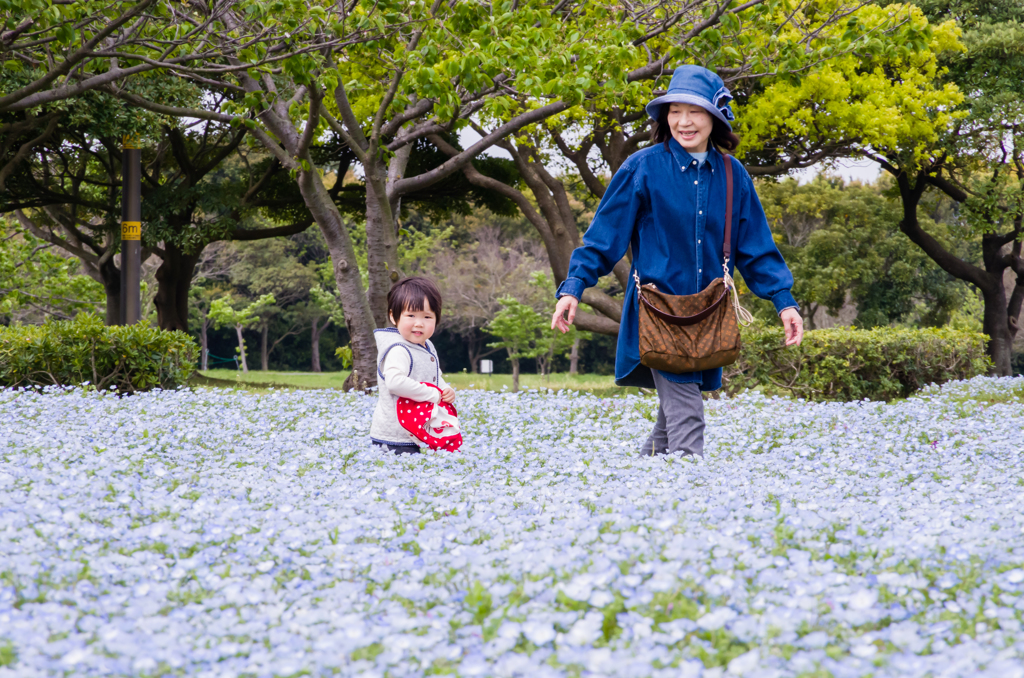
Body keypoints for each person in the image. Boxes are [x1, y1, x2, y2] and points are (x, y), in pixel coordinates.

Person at [550, 65, 804, 459]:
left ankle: (643, 495)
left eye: (695, 111)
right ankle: (690, 505)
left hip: (708, 317)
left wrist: (783, 301)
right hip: (659, 314)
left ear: (715, 117)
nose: (684, 122)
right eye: (674, 111)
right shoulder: (643, 167)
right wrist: (574, 288)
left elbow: (756, 248)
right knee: (688, 418)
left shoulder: (733, 174)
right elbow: (603, 239)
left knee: (669, 426)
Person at [370, 276, 456, 454]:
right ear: (394, 316)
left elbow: (434, 375)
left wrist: (445, 389)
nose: (419, 323)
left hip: (418, 430)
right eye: (411, 315)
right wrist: (433, 394)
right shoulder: (398, 349)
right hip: (395, 437)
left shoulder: (427, 345)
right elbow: (395, 383)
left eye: (427, 316)